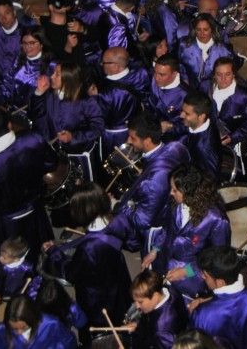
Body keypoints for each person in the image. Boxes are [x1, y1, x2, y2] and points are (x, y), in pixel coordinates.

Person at [0, 106, 60, 258]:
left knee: (16, 256)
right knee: (42, 243)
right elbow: (52, 163)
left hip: (8, 221)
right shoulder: (32, 137)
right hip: (36, 204)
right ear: (9, 124)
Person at [43, 183, 133, 333]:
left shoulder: (88, 249)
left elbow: (72, 274)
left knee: (101, 327)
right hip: (118, 279)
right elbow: (132, 242)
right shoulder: (118, 221)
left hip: (97, 296)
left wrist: (54, 253)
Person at [144, 164, 230, 298]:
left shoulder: (217, 220)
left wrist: (187, 271)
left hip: (192, 279)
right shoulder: (176, 203)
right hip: (165, 263)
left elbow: (218, 256)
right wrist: (155, 250)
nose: (170, 193)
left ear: (189, 192)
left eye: (175, 190)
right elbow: (167, 229)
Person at [109, 112, 191, 253]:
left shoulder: (153, 180)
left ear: (147, 141)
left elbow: (143, 220)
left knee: (152, 268)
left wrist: (117, 205)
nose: (129, 141)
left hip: (158, 232)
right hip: (173, 215)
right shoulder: (176, 147)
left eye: (133, 138)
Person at [128, 270, 188, 349]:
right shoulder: (169, 289)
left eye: (140, 302)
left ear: (155, 296)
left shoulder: (161, 331)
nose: (137, 306)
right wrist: (139, 325)